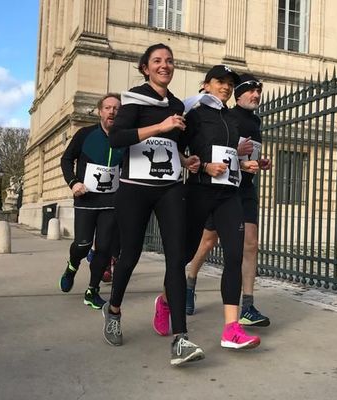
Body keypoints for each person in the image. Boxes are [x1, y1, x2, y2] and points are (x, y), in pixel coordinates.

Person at [101, 43, 204, 367]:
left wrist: (186, 159)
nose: (165, 65)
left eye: (170, 61)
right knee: (129, 254)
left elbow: (174, 144)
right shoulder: (134, 98)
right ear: (145, 67)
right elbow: (117, 138)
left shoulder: (176, 104)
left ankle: (180, 339)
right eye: (158, 61)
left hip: (170, 188)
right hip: (134, 189)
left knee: (176, 259)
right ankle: (114, 309)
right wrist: (159, 127)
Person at [180, 65, 261, 350]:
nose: (225, 87)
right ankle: (167, 300)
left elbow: (229, 154)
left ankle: (231, 329)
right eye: (220, 82)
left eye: (229, 83)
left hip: (229, 194)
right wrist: (201, 165)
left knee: (235, 255)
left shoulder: (231, 118)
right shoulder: (194, 114)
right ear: (207, 84)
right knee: (186, 253)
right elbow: (176, 150)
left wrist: (245, 162)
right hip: (200, 191)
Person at [59, 93, 123, 310]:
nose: (112, 111)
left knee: (104, 248)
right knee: (83, 244)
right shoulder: (85, 134)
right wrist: (73, 183)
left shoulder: (124, 138)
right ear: (100, 111)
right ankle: (72, 265)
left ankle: (92, 291)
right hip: (87, 199)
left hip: (111, 201)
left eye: (116, 108)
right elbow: (66, 159)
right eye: (108, 107)